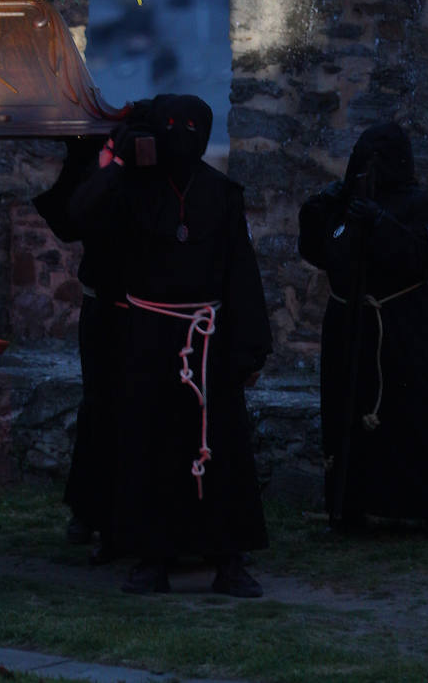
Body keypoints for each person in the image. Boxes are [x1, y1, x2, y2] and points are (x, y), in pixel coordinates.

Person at [67, 94, 272, 597]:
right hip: (147, 339)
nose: (182, 135)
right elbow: (80, 216)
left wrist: (250, 347)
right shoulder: (131, 191)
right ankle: (151, 560)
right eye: (171, 126)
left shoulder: (222, 194)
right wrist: (118, 162)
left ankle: (227, 561)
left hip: (208, 341)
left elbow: (240, 272)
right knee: (149, 449)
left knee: (218, 449)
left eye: (191, 126)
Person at [298, 121, 428, 537]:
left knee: (408, 412)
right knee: (346, 412)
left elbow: (424, 259)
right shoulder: (346, 202)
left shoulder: (418, 205)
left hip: (402, 324)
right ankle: (350, 509)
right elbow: (319, 252)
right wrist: (317, 211)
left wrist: (382, 223)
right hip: (348, 321)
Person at [33, 126, 131, 562]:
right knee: (98, 409)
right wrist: (80, 159)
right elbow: (70, 223)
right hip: (104, 310)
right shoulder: (93, 160)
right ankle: (90, 509)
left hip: (151, 311)